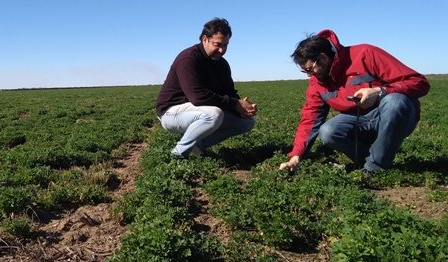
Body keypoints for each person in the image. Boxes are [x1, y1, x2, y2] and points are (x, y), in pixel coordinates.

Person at [279, 29, 430, 174]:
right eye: (305, 71)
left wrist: (379, 92)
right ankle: (372, 160)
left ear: (323, 58)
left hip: (393, 117)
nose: (309, 75)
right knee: (328, 131)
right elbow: (310, 118)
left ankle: (375, 167)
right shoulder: (317, 81)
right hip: (359, 122)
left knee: (395, 102)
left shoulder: (365, 54)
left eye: (310, 69)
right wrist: (296, 156)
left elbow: (419, 82)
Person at [155, 17, 257, 159]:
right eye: (217, 44)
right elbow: (197, 97)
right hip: (171, 113)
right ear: (205, 39)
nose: (222, 50)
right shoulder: (188, 58)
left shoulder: (222, 64)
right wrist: (234, 103)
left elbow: (229, 92)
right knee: (213, 114)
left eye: (226, 45)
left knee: (246, 122)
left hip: (198, 110)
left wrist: (242, 108)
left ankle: (197, 146)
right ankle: (178, 154)